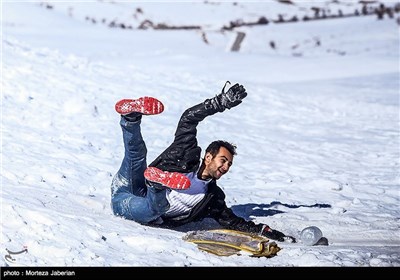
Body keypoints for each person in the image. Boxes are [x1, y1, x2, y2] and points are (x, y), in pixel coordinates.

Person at [110, 82, 296, 243]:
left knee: (156, 207)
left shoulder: (212, 197)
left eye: (229, 164)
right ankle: (130, 117)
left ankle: (157, 184)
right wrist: (218, 103)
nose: (225, 167)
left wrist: (264, 231)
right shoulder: (185, 154)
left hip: (138, 207)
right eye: (223, 161)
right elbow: (188, 119)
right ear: (208, 157)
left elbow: (233, 221)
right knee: (137, 155)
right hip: (129, 187)